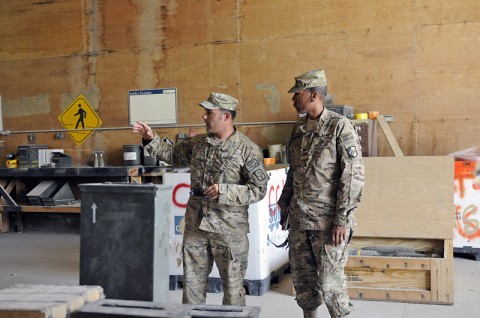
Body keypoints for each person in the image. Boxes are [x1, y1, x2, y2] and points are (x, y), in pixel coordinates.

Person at [133, 92, 269, 306]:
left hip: (229, 230)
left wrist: (225, 191)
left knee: (233, 290)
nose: (204, 117)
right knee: (192, 286)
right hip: (196, 226)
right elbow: (173, 155)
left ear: (226, 117)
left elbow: (258, 189)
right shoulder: (198, 143)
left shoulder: (247, 150)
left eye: (209, 113)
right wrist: (151, 139)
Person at [277, 69, 365, 318]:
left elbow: (353, 177)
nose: (293, 99)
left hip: (328, 224)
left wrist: (342, 220)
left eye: (298, 94)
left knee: (330, 286)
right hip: (300, 222)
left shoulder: (340, 127)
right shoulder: (298, 130)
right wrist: (284, 204)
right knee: (304, 288)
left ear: (314, 95)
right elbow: (294, 172)